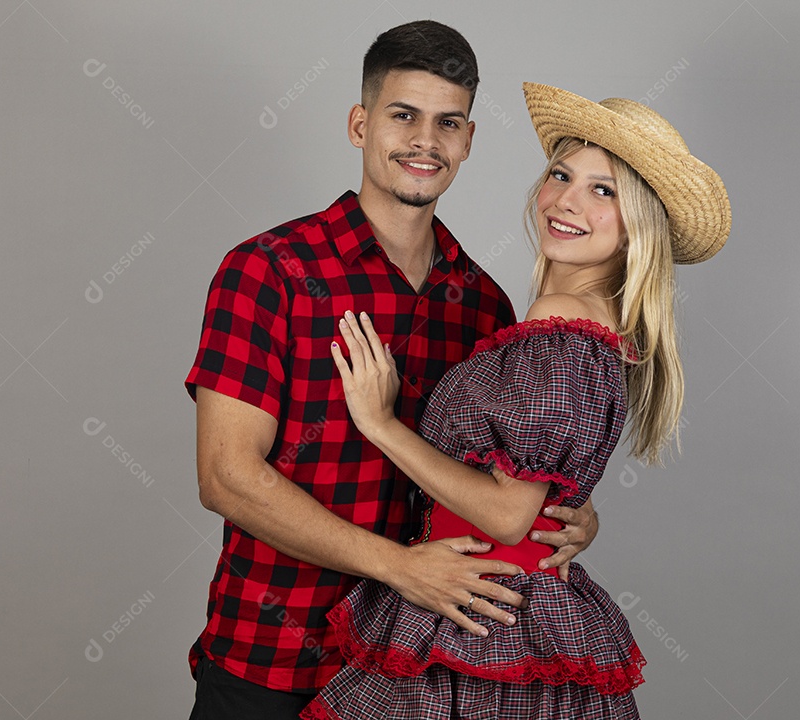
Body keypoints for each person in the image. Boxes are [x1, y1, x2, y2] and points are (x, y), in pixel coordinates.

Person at [185, 25, 600, 719]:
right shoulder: (269, 270)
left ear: (469, 141)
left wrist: (564, 518)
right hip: (272, 658)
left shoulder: (485, 304)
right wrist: (398, 567)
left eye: (447, 123)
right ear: (360, 124)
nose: (425, 141)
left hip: (415, 677)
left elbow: (496, 486)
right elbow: (227, 475)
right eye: (403, 115)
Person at [300, 82, 731, 720]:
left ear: (637, 226)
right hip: (507, 608)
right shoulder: (581, 330)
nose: (565, 200)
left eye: (602, 190)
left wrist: (380, 423)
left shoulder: (560, 323)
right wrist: (570, 514)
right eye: (561, 174)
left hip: (482, 618)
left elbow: (506, 515)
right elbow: (538, 491)